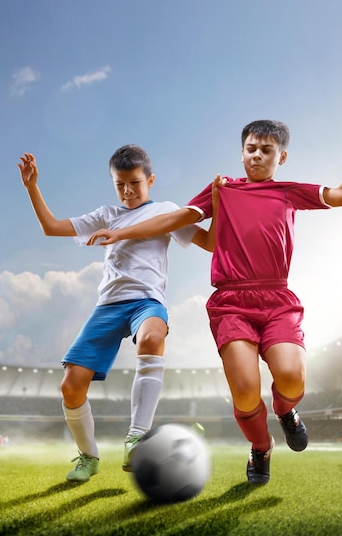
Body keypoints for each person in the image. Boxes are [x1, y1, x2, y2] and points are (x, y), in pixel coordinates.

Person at [87, 120, 342, 485]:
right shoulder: (221, 189)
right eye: (251, 149)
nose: (257, 156)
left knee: (289, 377)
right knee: (245, 388)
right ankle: (261, 447)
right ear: (241, 153)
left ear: (281, 157)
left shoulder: (287, 191)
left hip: (276, 296)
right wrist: (122, 232)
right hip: (231, 302)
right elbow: (174, 219)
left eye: (266, 151)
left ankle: (286, 412)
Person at [18, 145, 214, 483]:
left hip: (147, 302)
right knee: (70, 387)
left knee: (153, 336)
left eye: (135, 183)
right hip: (108, 306)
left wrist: (221, 204)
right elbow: (51, 227)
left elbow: (210, 243)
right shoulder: (106, 214)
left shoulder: (167, 212)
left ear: (150, 180)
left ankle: (136, 437)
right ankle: (88, 457)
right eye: (120, 185)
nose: (127, 191)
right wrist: (32, 187)